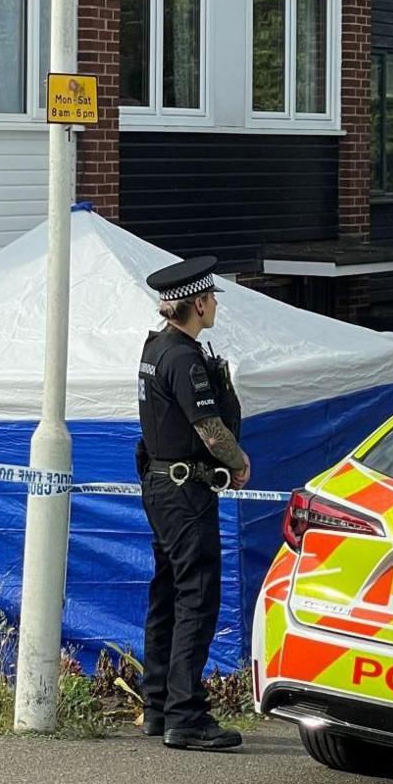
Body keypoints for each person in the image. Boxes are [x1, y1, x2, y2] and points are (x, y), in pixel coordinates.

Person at [135, 255, 249, 752]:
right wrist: (239, 462)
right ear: (198, 303)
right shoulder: (183, 357)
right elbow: (208, 428)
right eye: (211, 300)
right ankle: (187, 715)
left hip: (160, 486)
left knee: (167, 593)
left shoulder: (154, 347)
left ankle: (158, 707)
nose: (214, 307)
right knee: (197, 597)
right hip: (185, 491)